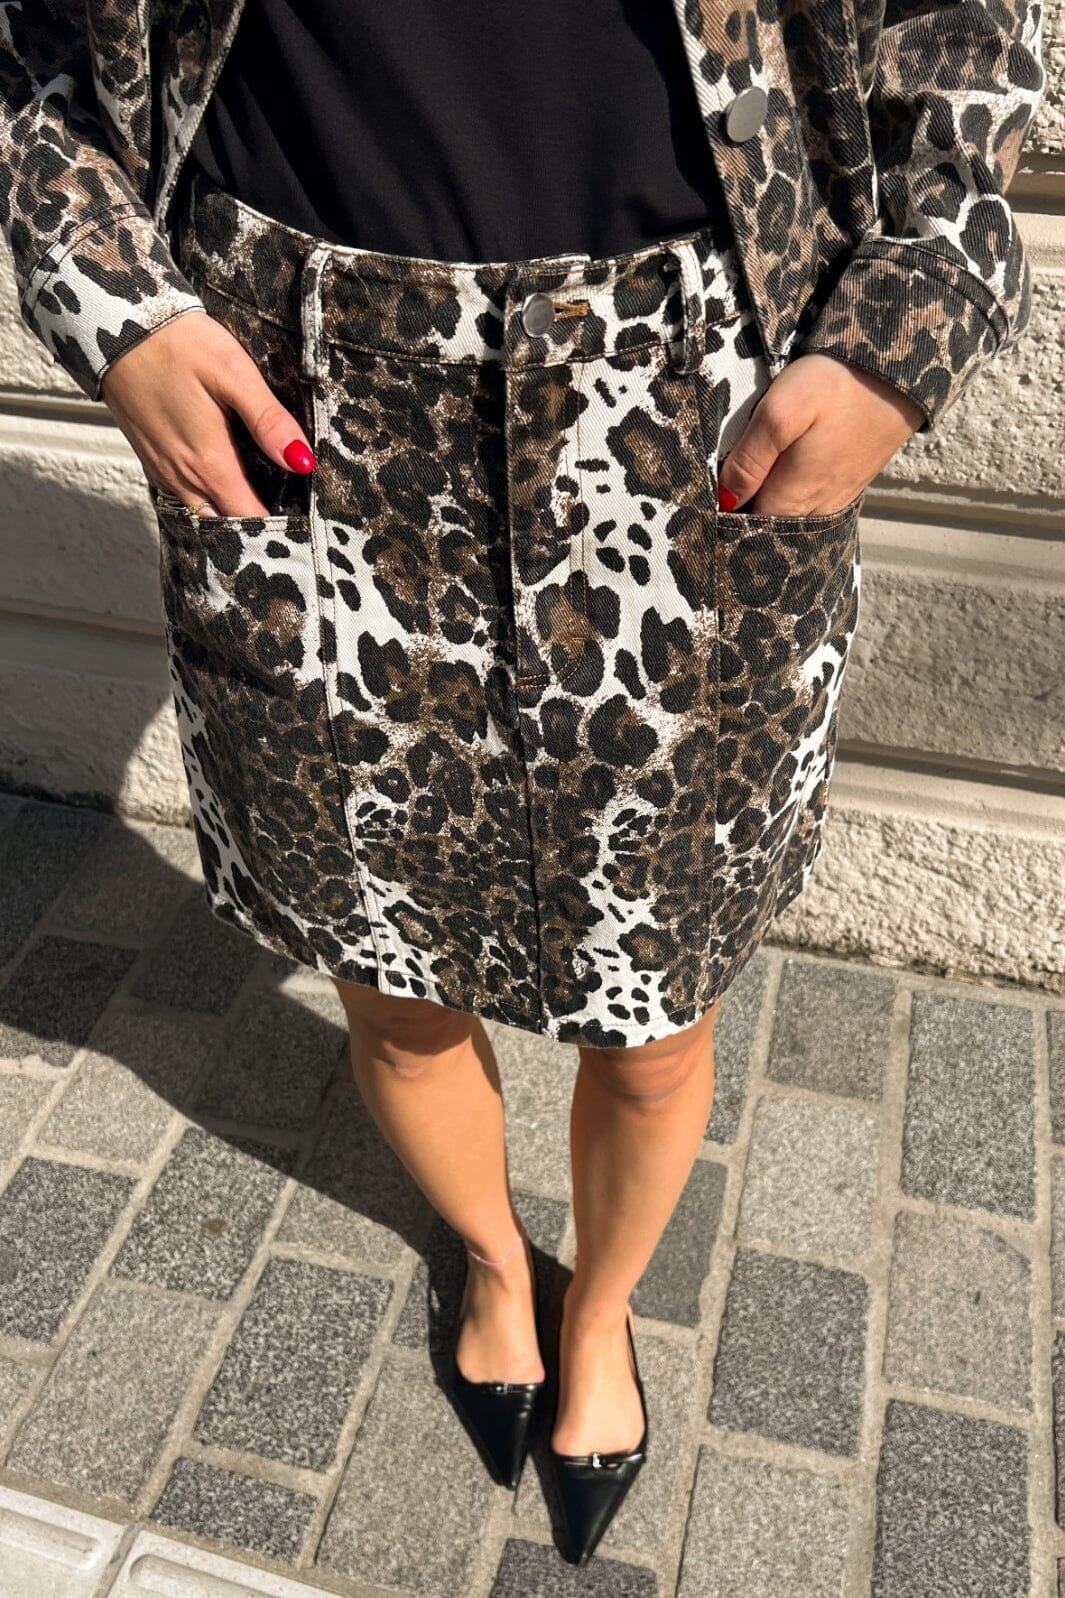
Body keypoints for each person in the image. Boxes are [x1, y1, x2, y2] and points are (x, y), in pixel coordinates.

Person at [0, 0, 1044, 1566]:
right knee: (392, 978)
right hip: (300, 397)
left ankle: (600, 1307)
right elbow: (30, 50)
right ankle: (495, 1260)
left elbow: (965, 27)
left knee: (654, 1013)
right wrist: (113, 301)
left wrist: (904, 324)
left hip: (689, 404)